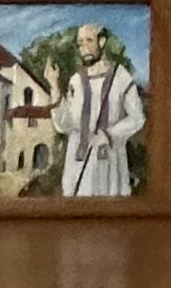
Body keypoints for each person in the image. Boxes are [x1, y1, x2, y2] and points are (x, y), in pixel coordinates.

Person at [55, 23, 144, 199]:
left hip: (110, 165)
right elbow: (65, 126)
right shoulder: (75, 81)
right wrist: (54, 88)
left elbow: (137, 118)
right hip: (77, 166)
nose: (84, 48)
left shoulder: (121, 77)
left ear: (102, 41)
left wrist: (109, 135)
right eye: (80, 43)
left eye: (89, 40)